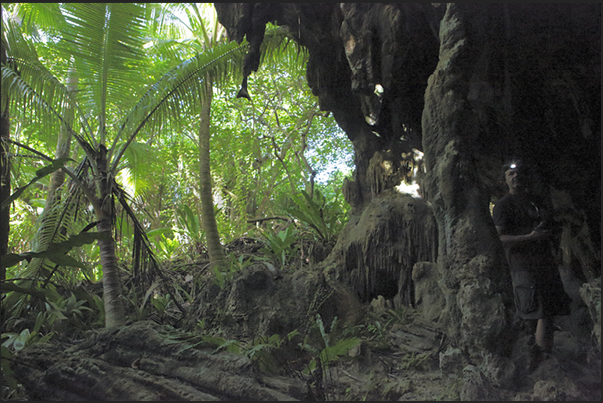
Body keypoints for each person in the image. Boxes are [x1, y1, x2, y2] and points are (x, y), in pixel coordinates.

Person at [492, 160, 571, 364]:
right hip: (522, 266)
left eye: (518, 172)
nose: (515, 176)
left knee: (550, 311)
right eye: (511, 174)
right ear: (505, 179)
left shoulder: (535, 201)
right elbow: (500, 239)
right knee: (535, 312)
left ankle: (547, 355)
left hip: (545, 262)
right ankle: (538, 359)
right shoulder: (503, 206)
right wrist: (530, 237)